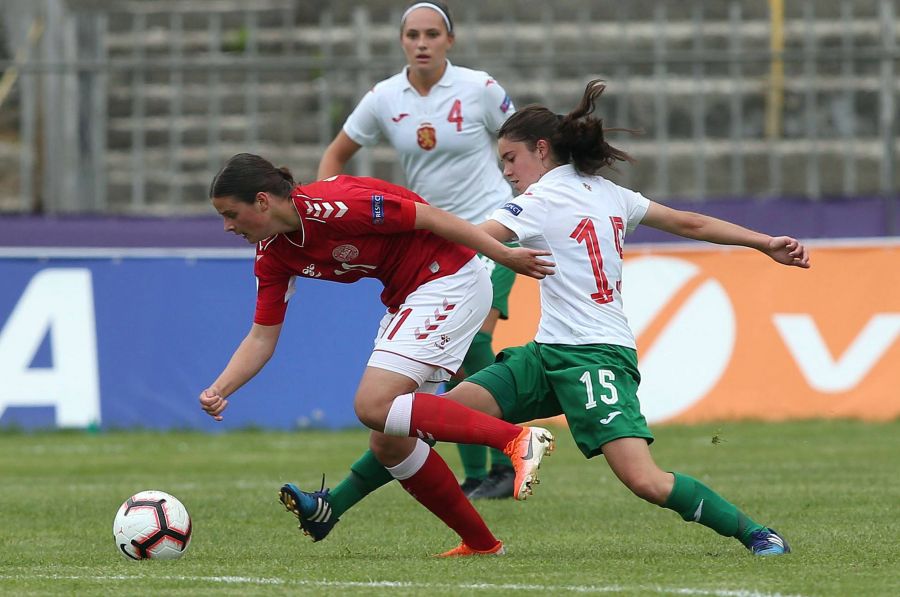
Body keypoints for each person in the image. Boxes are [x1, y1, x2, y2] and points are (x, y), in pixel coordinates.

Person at [284, 80, 809, 556]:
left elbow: (474, 236)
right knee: (423, 417)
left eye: (510, 159)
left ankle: (755, 532)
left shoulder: (537, 201)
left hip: (596, 358)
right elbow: (687, 221)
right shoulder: (613, 194)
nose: (506, 172)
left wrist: (383, 240)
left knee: (644, 481)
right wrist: (763, 242)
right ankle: (331, 506)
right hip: (547, 354)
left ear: (541, 150)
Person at [198, 152, 557, 557]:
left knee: (373, 403)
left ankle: (517, 440)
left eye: (231, 214)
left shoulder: (337, 205)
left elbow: (430, 217)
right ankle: (481, 544)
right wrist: (220, 388)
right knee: (390, 444)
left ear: (262, 201)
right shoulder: (273, 254)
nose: (228, 226)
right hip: (410, 296)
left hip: (448, 277)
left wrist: (501, 254)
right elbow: (262, 337)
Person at [318, 1, 520, 499]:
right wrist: (330, 210)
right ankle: (486, 471)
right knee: (450, 355)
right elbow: (337, 154)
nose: (422, 43)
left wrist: (525, 200)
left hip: (493, 229)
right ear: (402, 41)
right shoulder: (385, 98)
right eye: (413, 35)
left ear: (450, 41)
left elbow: (523, 140)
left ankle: (497, 466)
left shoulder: (480, 89)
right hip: (435, 239)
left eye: (432, 34)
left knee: (469, 343)